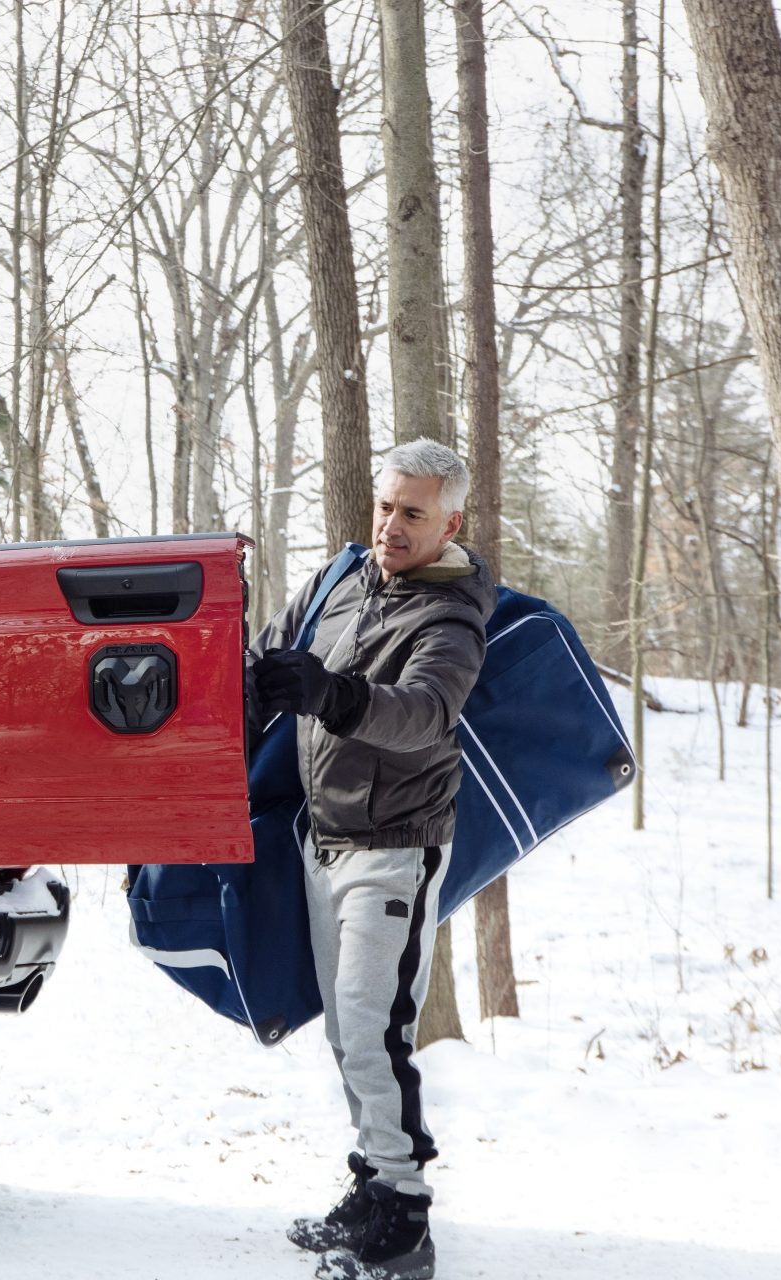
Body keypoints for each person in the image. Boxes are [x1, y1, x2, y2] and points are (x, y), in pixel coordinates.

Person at [247, 438, 496, 1280]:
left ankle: (404, 1224)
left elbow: (425, 713)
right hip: (323, 839)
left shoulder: (451, 617)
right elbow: (269, 653)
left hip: (394, 848)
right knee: (350, 1033)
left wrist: (331, 694)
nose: (391, 525)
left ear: (448, 524)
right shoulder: (340, 579)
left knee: (371, 1028)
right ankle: (374, 1185)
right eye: (386, 506)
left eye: (412, 513)